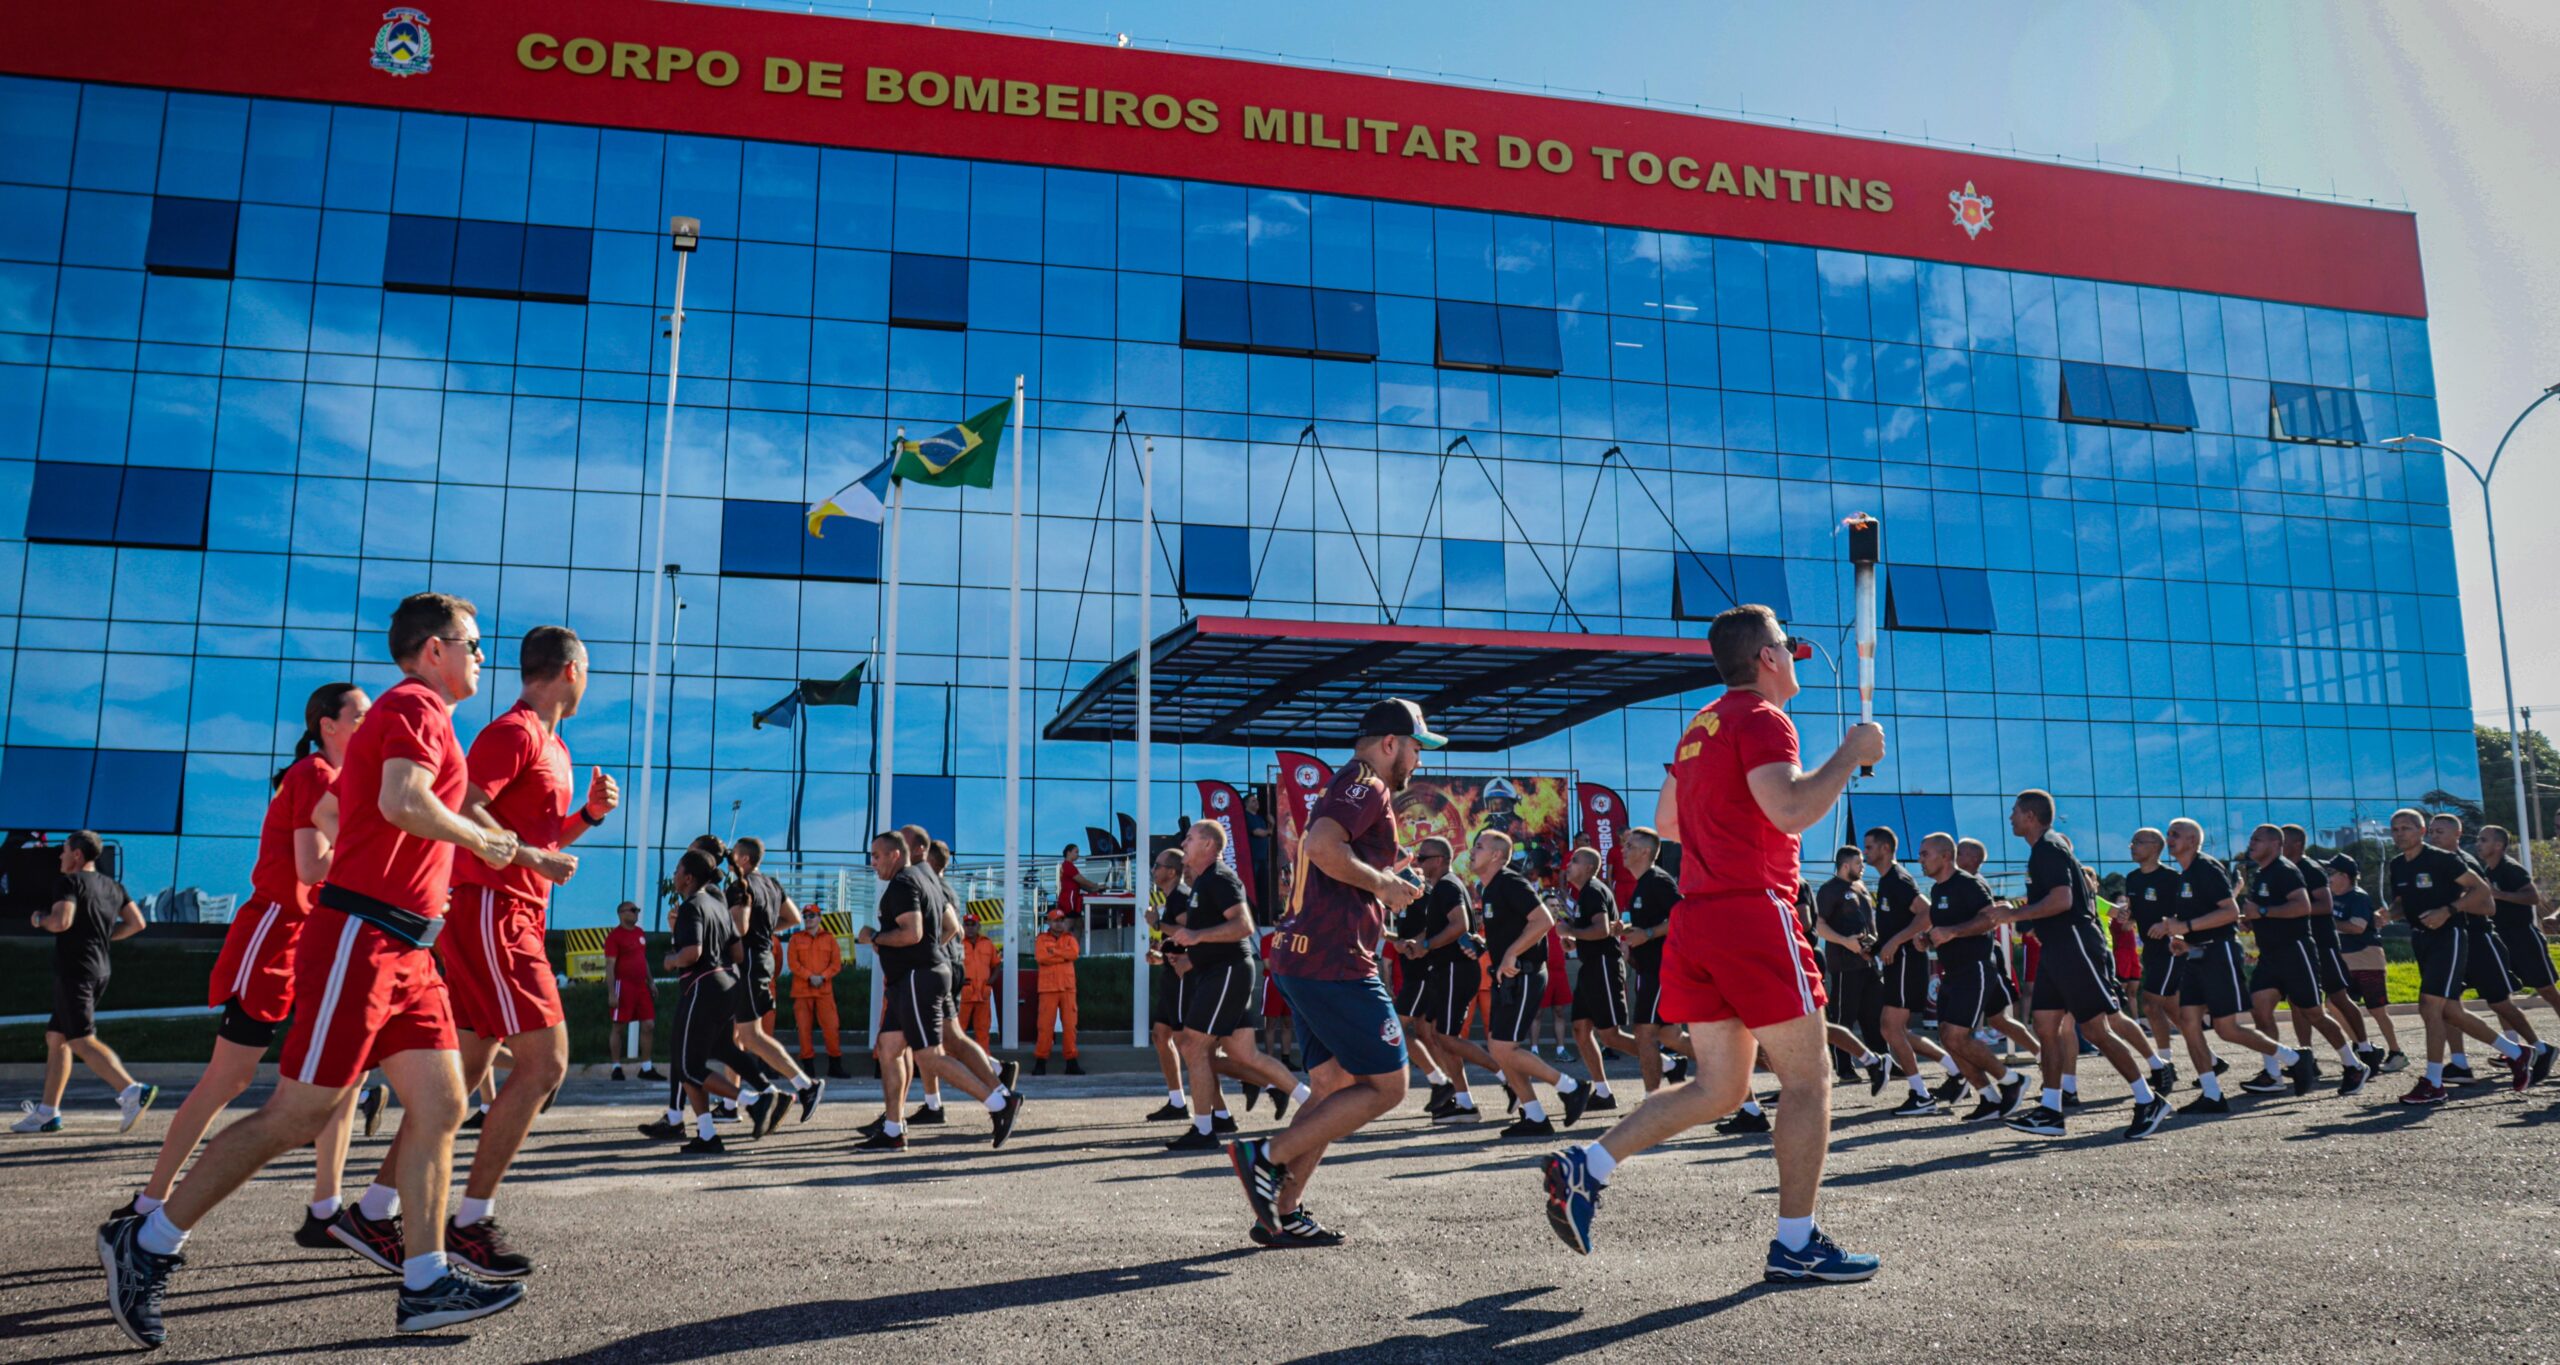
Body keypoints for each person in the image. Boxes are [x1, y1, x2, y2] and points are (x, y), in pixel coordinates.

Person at [100, 592, 526, 1346]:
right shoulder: (414, 704)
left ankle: (425, 1280)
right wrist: (483, 843)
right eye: (474, 643)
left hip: (410, 950)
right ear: (434, 649)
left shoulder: (429, 718)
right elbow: (403, 801)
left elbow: (428, 805)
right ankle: (148, 1240)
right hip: (362, 936)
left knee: (441, 1104)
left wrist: (522, 849)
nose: (482, 656)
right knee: (298, 1112)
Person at [1542, 604, 1886, 1280]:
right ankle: (1795, 1243)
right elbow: (1790, 809)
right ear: (1766, 657)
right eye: (1788, 646)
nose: (1794, 657)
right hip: (1752, 912)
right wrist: (1850, 753)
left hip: (1700, 919)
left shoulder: (1701, 724)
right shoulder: (1762, 718)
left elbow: (1666, 817)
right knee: (1809, 1080)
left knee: (1721, 1086)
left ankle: (1589, 1164)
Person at [118, 685, 369, 1250]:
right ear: (329, 725)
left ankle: (325, 1210)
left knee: (343, 1076)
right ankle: (147, 1203)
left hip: (319, 942)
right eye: (361, 714)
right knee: (227, 1080)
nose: (371, 721)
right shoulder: (312, 776)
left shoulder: (341, 782)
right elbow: (310, 869)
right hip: (275, 937)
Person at [431, 624, 618, 1280]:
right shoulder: (514, 731)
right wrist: (531, 852)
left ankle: (375, 1205)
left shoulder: (556, 746)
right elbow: (462, 803)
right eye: (589, 665)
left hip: (517, 911)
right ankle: (470, 1219)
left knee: (454, 1083)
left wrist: (586, 818)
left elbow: (536, 838)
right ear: (571, 670)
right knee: (544, 1064)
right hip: (492, 910)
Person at [1228, 698, 1441, 1247]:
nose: (1420, 760)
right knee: (1389, 1086)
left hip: (1305, 955)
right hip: (1335, 958)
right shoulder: (1365, 783)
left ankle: (1281, 1209)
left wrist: (1382, 879)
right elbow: (1322, 846)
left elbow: (1330, 854)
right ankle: (1266, 1157)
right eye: (1417, 747)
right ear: (1391, 743)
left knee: (1332, 1083)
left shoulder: (1357, 787)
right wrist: (1383, 886)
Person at [1985, 792, 2168, 1139]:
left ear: (2030, 816)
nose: (2010, 818)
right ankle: (2052, 1109)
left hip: (2076, 946)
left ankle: (2149, 1099)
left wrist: (2015, 914)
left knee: (2097, 1030)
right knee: (2045, 1026)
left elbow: (2062, 900)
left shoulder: (2049, 849)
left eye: (2014, 812)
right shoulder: (2042, 851)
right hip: (2057, 949)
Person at [854, 833, 1023, 1152]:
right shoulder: (928, 881)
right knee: (889, 1047)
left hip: (917, 979)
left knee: (929, 1054)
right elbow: (950, 928)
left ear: (894, 855)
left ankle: (1000, 1104)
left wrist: (874, 937)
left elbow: (912, 932)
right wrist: (929, 954)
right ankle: (893, 1130)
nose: (872, 862)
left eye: (876, 856)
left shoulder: (903, 883)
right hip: (911, 978)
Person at [2153, 818, 2311, 1116]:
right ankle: (2212, 1095)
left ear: (2192, 840)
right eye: (2168, 834)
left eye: (2175, 835)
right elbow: (2201, 919)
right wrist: (2183, 939)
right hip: (2197, 955)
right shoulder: (2185, 874)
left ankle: (2293, 1058)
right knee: (2188, 1023)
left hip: (2219, 954)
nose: (2169, 838)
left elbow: (2230, 912)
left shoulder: (2206, 868)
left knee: (2227, 1029)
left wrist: (2184, 926)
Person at [1164, 821, 1301, 1150]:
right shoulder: (1203, 884)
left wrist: (1195, 937)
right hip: (1223, 970)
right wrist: (1189, 959)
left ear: (1209, 844)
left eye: (1190, 838)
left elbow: (1243, 925)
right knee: (1243, 1053)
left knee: (1193, 1046)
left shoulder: (1221, 877)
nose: (1183, 842)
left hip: (1228, 972)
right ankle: (1311, 1101)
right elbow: (1214, 939)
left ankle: (1204, 1130)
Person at [20, 831, 155, 1136]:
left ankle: (132, 1091)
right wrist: (104, 938)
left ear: (77, 855)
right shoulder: (113, 885)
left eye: (64, 851)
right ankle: (47, 1113)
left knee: (81, 1039)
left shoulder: (68, 883)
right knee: (57, 1037)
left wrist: (39, 919)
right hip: (99, 969)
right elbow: (137, 923)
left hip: (75, 971)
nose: (60, 856)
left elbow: (61, 922)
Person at [2391, 811, 2531, 1102]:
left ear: (2421, 830)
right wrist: (2385, 915)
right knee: (2450, 1011)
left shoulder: (2442, 859)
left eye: (2406, 828)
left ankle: (2433, 1082)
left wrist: (2449, 910)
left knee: (2429, 1005)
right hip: (2422, 939)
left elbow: (2481, 891)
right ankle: (2517, 1053)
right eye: (2395, 829)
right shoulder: (2396, 865)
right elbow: (2404, 904)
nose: (2399, 833)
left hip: (2450, 937)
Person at [2233, 824, 2368, 1098]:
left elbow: (2303, 907)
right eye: (2251, 838)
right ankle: (2272, 1073)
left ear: (2275, 844)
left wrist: (2261, 910)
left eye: (2257, 839)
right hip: (2271, 955)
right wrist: (2250, 920)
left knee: (2314, 1013)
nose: (2251, 843)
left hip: (2296, 951)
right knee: (2260, 1008)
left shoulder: (2286, 871)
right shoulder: (2261, 874)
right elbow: (2264, 913)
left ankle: (2354, 1065)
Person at [1477, 830, 1592, 1138]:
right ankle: (1535, 1116)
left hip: (1525, 974)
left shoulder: (1510, 882)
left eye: (1479, 846)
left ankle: (1571, 1087)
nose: (1473, 851)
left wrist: (1511, 954)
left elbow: (1543, 921)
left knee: (1504, 1047)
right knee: (1499, 1048)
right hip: (1509, 975)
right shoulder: (1488, 888)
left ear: (1497, 856)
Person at [1914, 833, 2034, 1122]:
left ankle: (2011, 1080)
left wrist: (1952, 931)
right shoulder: (1938, 890)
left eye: (1924, 853)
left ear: (1945, 856)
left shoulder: (1970, 884)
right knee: (1947, 1037)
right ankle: (1989, 1098)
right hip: (1952, 971)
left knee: (1958, 1034)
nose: (1920, 859)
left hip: (1975, 967)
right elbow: (1945, 930)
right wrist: (1928, 939)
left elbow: (1988, 920)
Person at [724, 837, 822, 1134]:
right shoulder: (771, 884)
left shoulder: (740, 887)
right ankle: (729, 1105)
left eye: (732, 855)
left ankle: (805, 1085)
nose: (728, 860)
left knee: (751, 1036)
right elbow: (792, 917)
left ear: (742, 859)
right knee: (736, 1036)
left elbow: (739, 928)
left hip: (749, 963)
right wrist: (766, 929)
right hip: (759, 958)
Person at [1861, 826, 1959, 1113]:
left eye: (1869, 848)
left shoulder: (1898, 880)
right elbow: (1899, 924)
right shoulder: (1888, 881)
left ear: (1885, 849)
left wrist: (1894, 942)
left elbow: (1928, 912)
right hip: (1897, 961)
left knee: (1890, 1028)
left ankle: (1921, 1095)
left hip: (1905, 962)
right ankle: (1955, 1070)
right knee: (1896, 1031)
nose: (1865, 853)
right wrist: (1879, 946)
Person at [1395, 836, 1492, 1123]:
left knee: (1428, 1034)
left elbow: (1457, 925)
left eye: (1422, 859)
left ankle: (1503, 1077)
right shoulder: (1432, 889)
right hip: (1434, 970)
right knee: (1435, 1035)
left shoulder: (1439, 888)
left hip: (1442, 971)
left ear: (1438, 860)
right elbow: (1428, 930)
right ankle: (1459, 1097)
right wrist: (1412, 943)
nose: (1418, 864)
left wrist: (1424, 946)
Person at [666, 850, 746, 1156]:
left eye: (676, 870)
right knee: (692, 1062)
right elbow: (738, 954)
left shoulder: (692, 906)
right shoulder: (720, 906)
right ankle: (707, 1133)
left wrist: (671, 959)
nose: (673, 876)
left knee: (688, 1064)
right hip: (727, 985)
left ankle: (754, 1100)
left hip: (701, 988)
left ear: (688, 878)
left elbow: (692, 953)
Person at [2280, 824, 2376, 1072]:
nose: (2277, 847)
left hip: (2323, 943)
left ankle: (2365, 1048)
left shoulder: (2310, 870)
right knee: (2297, 1001)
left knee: (2338, 997)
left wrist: (2294, 908)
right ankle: (2306, 1058)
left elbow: (2325, 905)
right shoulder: (2282, 870)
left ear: (2297, 845)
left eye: (2283, 842)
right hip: (2297, 945)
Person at [2471, 824, 2556, 1083]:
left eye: (2483, 839)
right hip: (2501, 938)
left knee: (2547, 990)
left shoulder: (2510, 868)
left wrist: (2498, 894)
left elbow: (2532, 897)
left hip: (2523, 937)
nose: (2478, 843)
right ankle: (2515, 1048)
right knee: (2501, 993)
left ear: (2498, 845)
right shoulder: (2486, 870)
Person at [1615, 827, 1695, 1097]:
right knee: (1671, 1037)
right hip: (1649, 969)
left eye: (1630, 846)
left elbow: (1682, 917)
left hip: (1663, 970)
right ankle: (1734, 1078)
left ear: (1646, 851)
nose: (1623, 850)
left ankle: (1652, 1102)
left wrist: (1647, 934)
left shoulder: (1658, 880)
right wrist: (1627, 931)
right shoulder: (1642, 884)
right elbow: (1652, 926)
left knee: (1644, 1033)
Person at [1559, 846, 1638, 1111]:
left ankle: (1668, 1063)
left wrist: (1571, 930)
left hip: (1604, 966)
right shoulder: (1585, 893)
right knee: (1581, 1030)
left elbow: (1602, 930)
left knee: (1611, 1036)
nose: (1569, 865)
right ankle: (1602, 1092)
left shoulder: (1593, 890)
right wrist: (1575, 939)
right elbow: (1593, 930)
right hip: (1590, 966)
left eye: (1575, 861)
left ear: (1589, 868)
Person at [1811, 847, 1890, 1101]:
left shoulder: (1862, 888)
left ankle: (1884, 1062)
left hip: (1869, 964)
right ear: (1845, 865)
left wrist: (1873, 945)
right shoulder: (1829, 889)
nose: (1863, 865)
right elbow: (1818, 925)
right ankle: (1844, 1067)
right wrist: (1845, 941)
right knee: (1844, 1018)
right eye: (1858, 862)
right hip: (1844, 965)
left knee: (1874, 1018)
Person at [2117, 828, 2189, 1096]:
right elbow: (2138, 911)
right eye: (2132, 841)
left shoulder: (2172, 878)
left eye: (2138, 842)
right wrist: (2129, 916)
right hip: (2150, 950)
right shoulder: (2132, 878)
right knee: (2172, 1009)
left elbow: (2183, 911)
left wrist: (2168, 925)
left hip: (2172, 948)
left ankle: (2164, 1064)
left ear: (2156, 847)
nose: (2132, 846)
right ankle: (2212, 1060)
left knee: (2151, 1004)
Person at [2326, 856, 2405, 1073]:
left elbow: (2357, 927)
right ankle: (2365, 1048)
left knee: (2377, 1010)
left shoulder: (2358, 897)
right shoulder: (2332, 898)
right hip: (2344, 960)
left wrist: (2326, 923)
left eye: (2331, 873)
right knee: (2334, 1005)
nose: (2328, 878)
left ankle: (2396, 1052)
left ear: (2344, 876)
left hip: (2366, 959)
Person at [1145, 851, 1193, 1122]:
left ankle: (1259, 1081)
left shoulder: (1182, 896)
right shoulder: (1171, 898)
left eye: (1157, 866)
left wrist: (1157, 924)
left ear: (1171, 872)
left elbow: (1189, 934)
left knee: (1190, 1044)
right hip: (1171, 975)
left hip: (1183, 979)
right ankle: (1177, 1102)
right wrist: (1159, 954)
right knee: (1160, 1036)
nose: (1153, 870)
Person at [603, 901, 660, 1082]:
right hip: (623, 986)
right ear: (621, 913)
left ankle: (646, 1066)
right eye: (633, 910)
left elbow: (643, 959)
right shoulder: (614, 937)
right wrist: (612, 992)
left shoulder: (639, 933)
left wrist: (651, 981)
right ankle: (616, 1066)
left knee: (649, 1025)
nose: (636, 913)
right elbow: (610, 966)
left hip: (641, 986)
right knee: (619, 1026)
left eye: (637, 910)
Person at [788, 910, 846, 1077]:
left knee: (831, 1028)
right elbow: (793, 963)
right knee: (804, 1030)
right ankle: (808, 1069)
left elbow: (836, 964)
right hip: (802, 991)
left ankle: (835, 1066)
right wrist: (809, 976)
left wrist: (822, 977)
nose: (808, 919)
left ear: (819, 918)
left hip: (824, 991)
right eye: (805, 916)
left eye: (811, 916)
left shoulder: (829, 939)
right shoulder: (796, 938)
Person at [1033, 910, 1083, 1074]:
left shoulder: (1070, 939)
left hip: (1068, 989)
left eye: (1061, 920)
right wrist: (1064, 956)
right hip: (1048, 989)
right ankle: (1041, 1062)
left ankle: (1071, 1062)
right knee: (1045, 1027)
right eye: (1055, 920)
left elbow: (1074, 954)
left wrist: (1054, 952)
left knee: (1070, 1027)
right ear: (1048, 922)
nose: (1059, 923)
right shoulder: (1041, 939)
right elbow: (1041, 958)